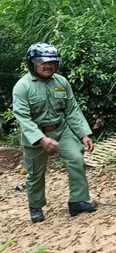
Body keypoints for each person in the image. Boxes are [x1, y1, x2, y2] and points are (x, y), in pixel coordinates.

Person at [12, 43, 97, 223]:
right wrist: (41, 139)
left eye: (52, 62)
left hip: (60, 129)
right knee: (35, 173)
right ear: (32, 63)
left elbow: (72, 109)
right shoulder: (22, 87)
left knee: (76, 159)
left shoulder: (61, 82)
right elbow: (23, 118)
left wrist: (84, 134)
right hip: (35, 134)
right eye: (43, 62)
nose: (49, 65)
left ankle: (77, 201)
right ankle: (35, 206)